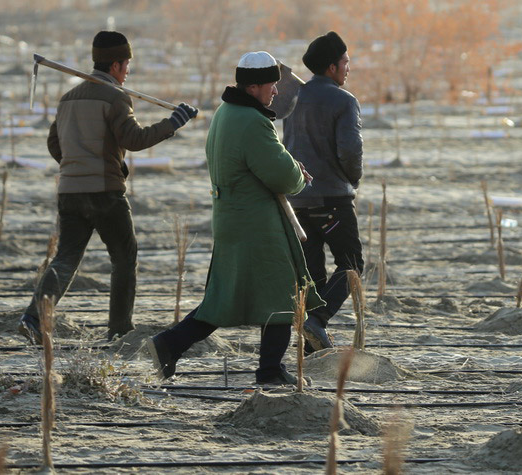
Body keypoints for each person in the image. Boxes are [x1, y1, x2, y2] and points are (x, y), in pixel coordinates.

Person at [147, 51, 324, 385]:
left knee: (223, 298)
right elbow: (282, 176)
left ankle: (168, 345)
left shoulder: (226, 113)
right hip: (257, 225)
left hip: (233, 220)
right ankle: (271, 371)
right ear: (254, 86)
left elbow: (258, 163)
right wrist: (297, 174)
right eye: (272, 85)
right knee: (280, 291)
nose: (275, 91)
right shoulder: (252, 121)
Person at [19, 30, 198, 344]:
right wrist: (174, 123)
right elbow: (135, 139)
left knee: (65, 258)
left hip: (70, 192)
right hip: (105, 193)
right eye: (127, 64)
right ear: (115, 65)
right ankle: (119, 331)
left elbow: (53, 144)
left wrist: (77, 165)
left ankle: (33, 318)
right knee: (124, 258)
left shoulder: (68, 99)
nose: (128, 70)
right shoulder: (116, 97)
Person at [271, 31, 363, 352]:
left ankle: (311, 348)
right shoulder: (344, 100)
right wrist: (353, 179)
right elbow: (350, 151)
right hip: (333, 199)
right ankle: (318, 320)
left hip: (296, 200)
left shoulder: (291, 98)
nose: (348, 68)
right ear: (331, 67)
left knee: (312, 274)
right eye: (345, 62)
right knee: (352, 264)